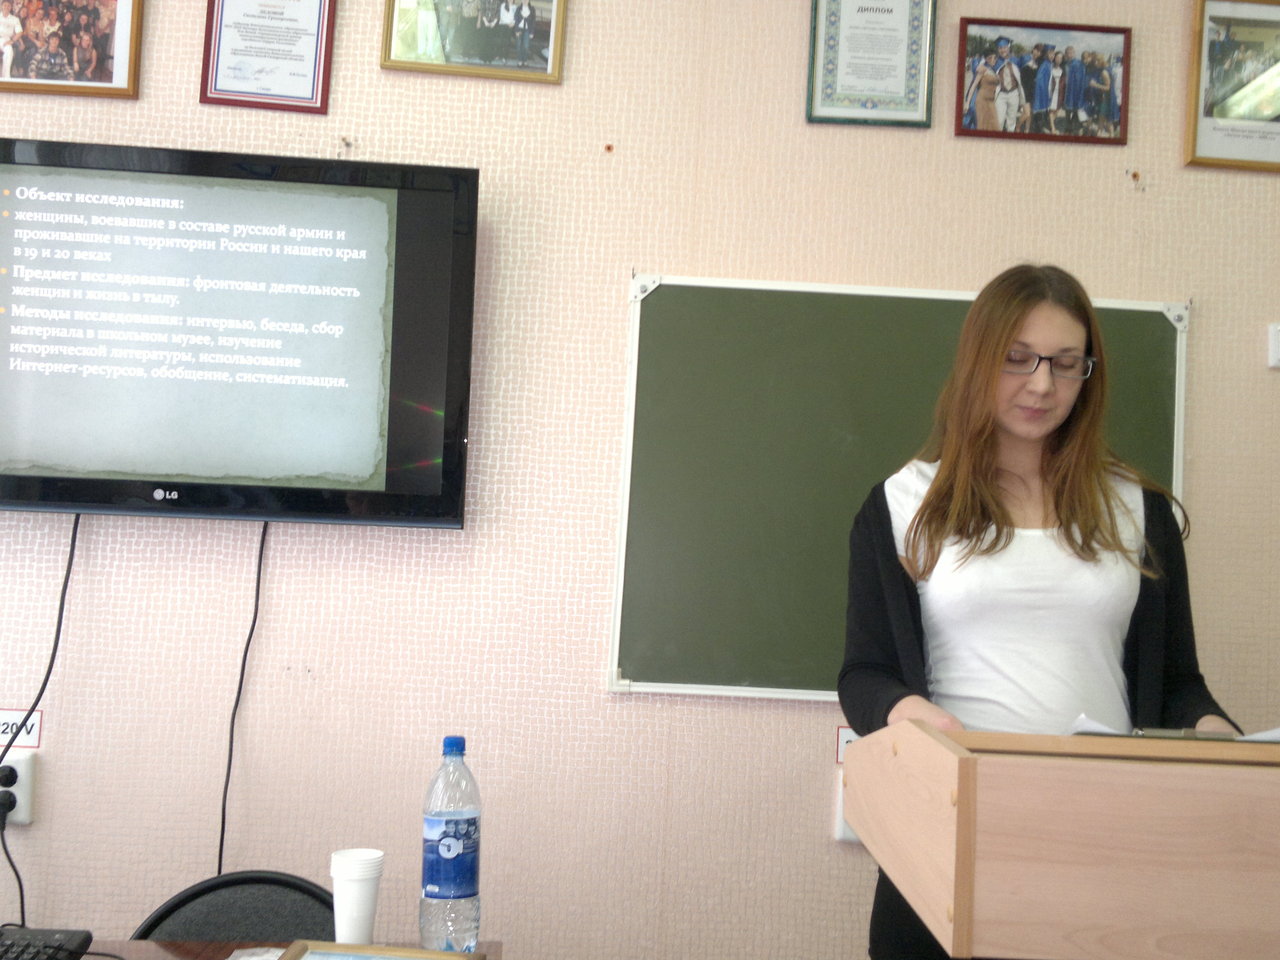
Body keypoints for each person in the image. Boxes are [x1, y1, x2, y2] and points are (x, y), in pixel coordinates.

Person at [838, 263, 1236, 960]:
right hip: (948, 828)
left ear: (1089, 373)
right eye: (1017, 358)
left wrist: (1216, 735)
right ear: (978, 361)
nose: (1043, 384)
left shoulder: (1137, 510)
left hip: (1104, 839)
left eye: (1065, 362)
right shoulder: (903, 504)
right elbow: (865, 675)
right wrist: (912, 714)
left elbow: (1177, 682)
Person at [0, 0, 23, 79]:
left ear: (11, 8)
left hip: (6, 40)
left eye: (8, 6)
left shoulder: (15, 19)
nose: (6, 7)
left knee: (9, 51)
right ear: (1, 6)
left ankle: (5, 77)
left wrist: (12, 41)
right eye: (5, 5)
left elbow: (19, 32)